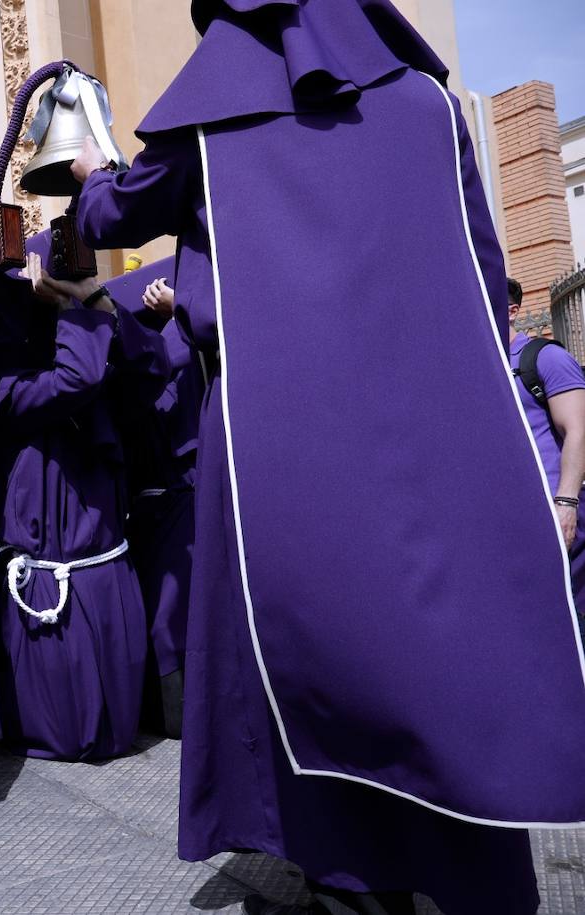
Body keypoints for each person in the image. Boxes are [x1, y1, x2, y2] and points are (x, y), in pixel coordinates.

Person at [74, 1, 585, 913]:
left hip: (272, 426)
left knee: (307, 647)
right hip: (429, 416)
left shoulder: (212, 118)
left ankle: (350, 878)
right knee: (440, 645)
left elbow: (111, 210)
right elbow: (481, 264)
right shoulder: (429, 103)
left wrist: (87, 171)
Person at [0, 252, 162, 760]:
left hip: (98, 551)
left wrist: (91, 296)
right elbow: (75, 381)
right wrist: (70, 310)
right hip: (51, 561)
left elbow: (153, 366)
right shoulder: (3, 385)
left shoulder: (89, 346)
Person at [106, 266, 201, 739]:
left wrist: (178, 311)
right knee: (165, 612)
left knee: (168, 612)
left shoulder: (180, 341)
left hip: (175, 490)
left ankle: (174, 717)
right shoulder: (154, 351)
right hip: (162, 493)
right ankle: (173, 718)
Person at [506, 277, 585, 605]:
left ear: (512, 311)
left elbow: (579, 431)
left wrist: (566, 503)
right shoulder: (481, 368)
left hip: (559, 522)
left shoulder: (545, 359)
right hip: (512, 528)